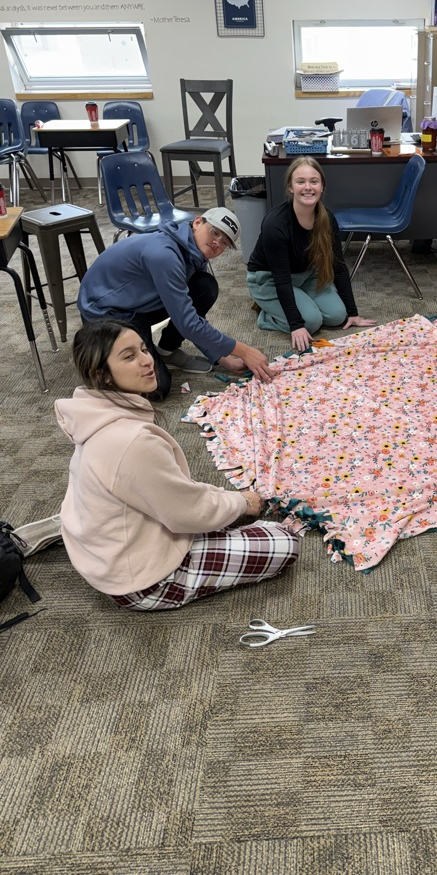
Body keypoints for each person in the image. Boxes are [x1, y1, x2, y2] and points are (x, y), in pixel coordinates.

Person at [54, 319, 300, 611]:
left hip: (109, 557)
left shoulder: (91, 416)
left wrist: (229, 501)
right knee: (284, 542)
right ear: (102, 375)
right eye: (129, 357)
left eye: (144, 349)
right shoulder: (131, 442)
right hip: (142, 581)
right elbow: (186, 512)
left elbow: (170, 492)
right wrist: (240, 504)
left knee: (221, 510)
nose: (147, 361)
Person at [78, 207, 272, 399]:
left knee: (205, 286)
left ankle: (165, 351)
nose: (217, 243)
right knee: (157, 388)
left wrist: (220, 356)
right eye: (215, 232)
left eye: (225, 243)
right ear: (197, 223)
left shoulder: (193, 252)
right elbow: (188, 323)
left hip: (138, 305)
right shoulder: (164, 254)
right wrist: (245, 351)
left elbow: (189, 315)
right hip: (105, 313)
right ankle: (99, 359)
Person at [246, 156, 375, 354]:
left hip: (305, 273)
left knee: (337, 316)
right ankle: (266, 312)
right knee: (311, 322)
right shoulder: (275, 224)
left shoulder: (326, 218)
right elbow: (281, 279)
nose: (308, 187)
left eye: (314, 181)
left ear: (322, 186)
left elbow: (338, 266)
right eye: (301, 181)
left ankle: (298, 301)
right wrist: (295, 325)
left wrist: (353, 311)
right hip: (269, 278)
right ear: (290, 187)